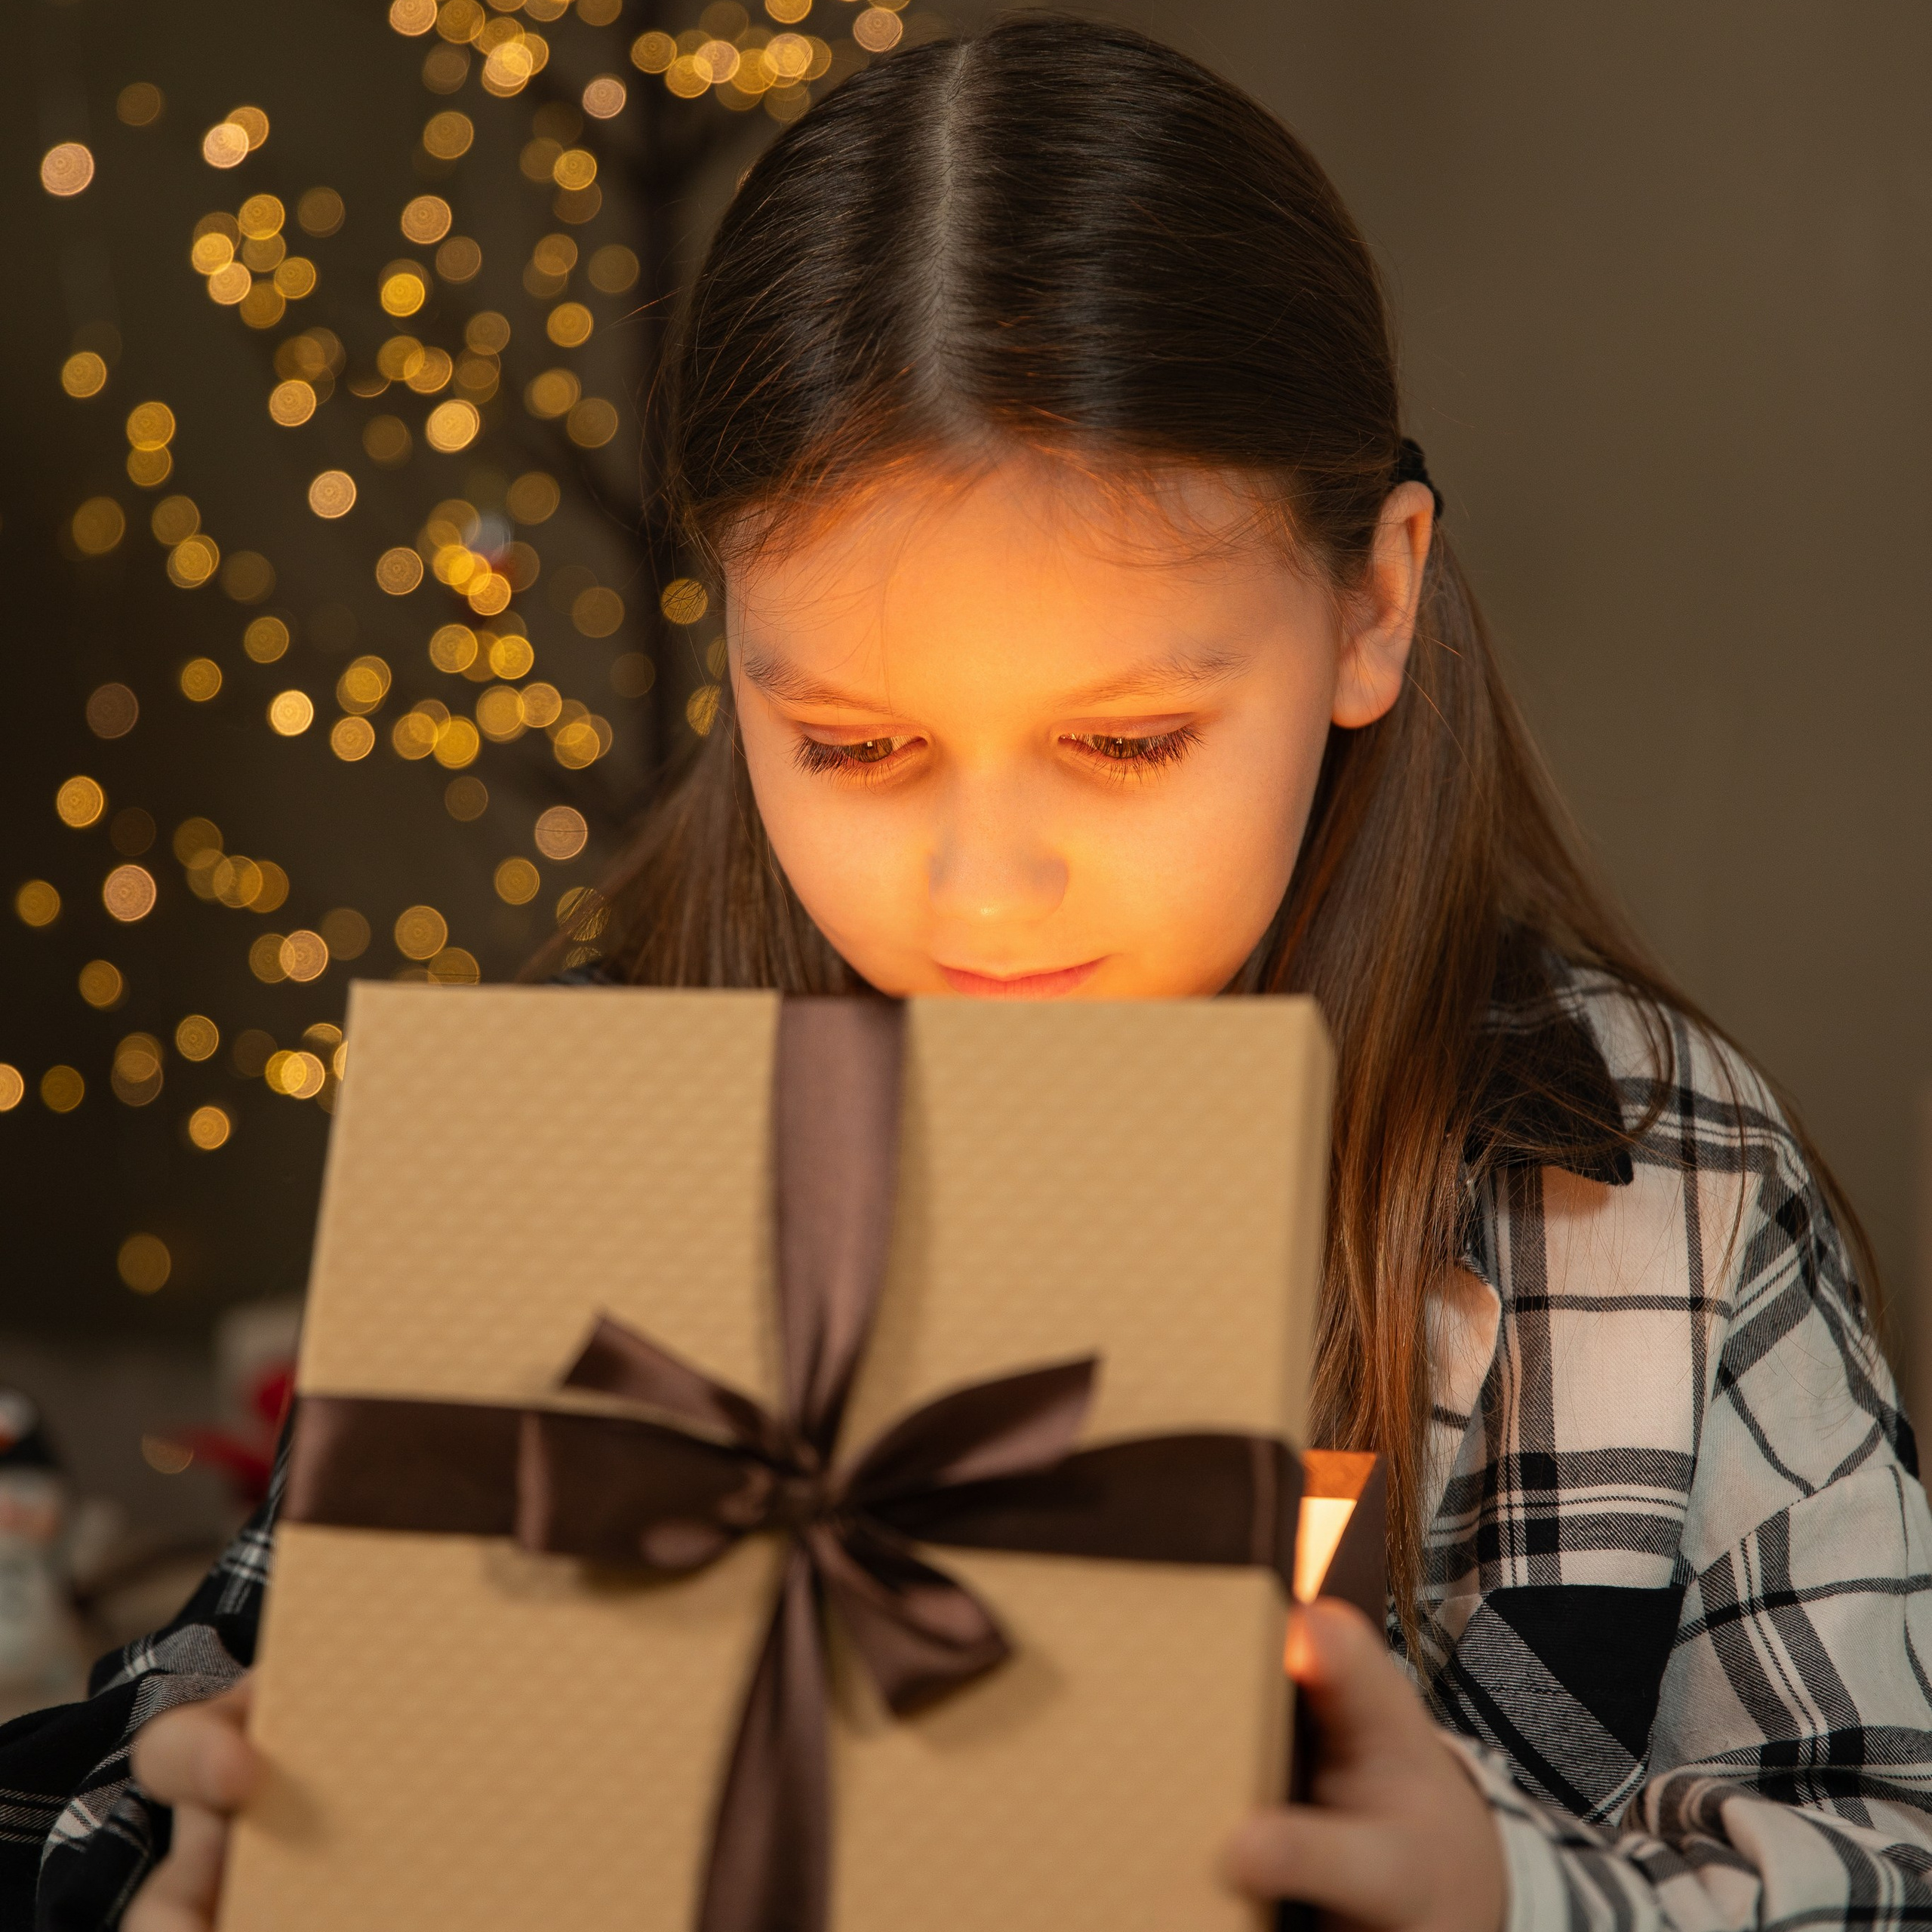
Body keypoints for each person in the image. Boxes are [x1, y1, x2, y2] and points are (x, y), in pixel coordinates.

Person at [6, 16, 1927, 1930]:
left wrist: (1508, 1899)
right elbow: (192, 1715)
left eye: (1126, 742)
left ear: (1373, 601)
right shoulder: (592, 1120)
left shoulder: (1644, 1180)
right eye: (851, 745)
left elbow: (1891, 1843)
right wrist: (195, 1857)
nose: (983, 892)